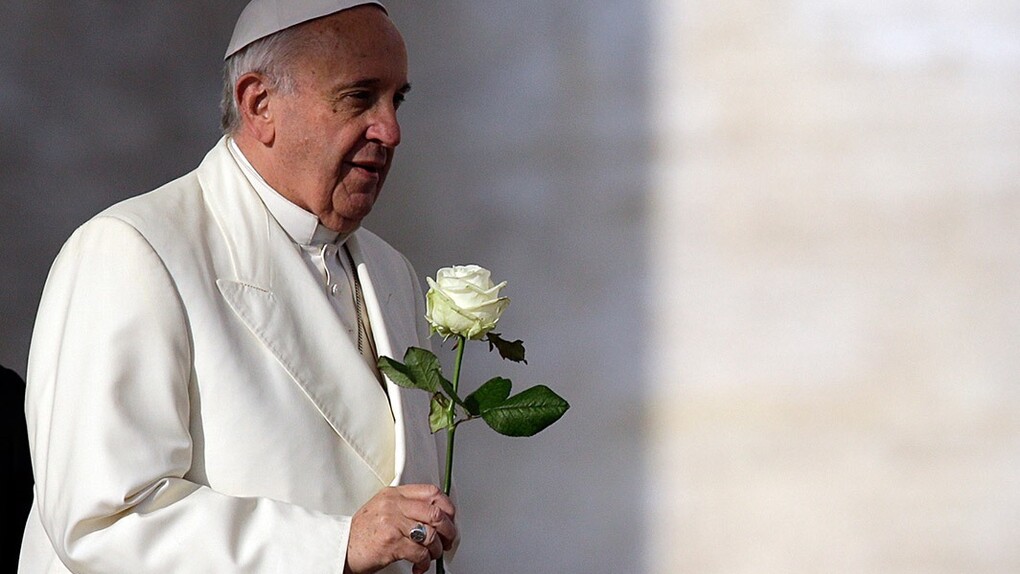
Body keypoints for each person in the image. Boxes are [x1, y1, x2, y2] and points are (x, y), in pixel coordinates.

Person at [18, 2, 457, 573]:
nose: (391, 130)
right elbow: (104, 523)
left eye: (396, 100)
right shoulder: (131, 250)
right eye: (359, 97)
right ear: (260, 103)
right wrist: (335, 546)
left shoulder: (391, 272)